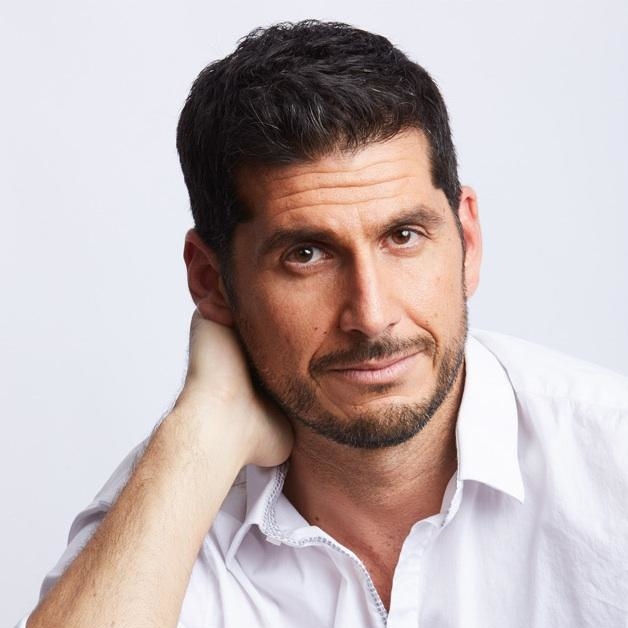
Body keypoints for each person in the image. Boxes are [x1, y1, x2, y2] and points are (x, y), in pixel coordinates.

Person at [20, 20, 627, 628]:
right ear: (212, 280)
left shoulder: (609, 458)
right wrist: (202, 428)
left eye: (404, 236)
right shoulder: (164, 514)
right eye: (306, 254)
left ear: (466, 239)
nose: (372, 316)